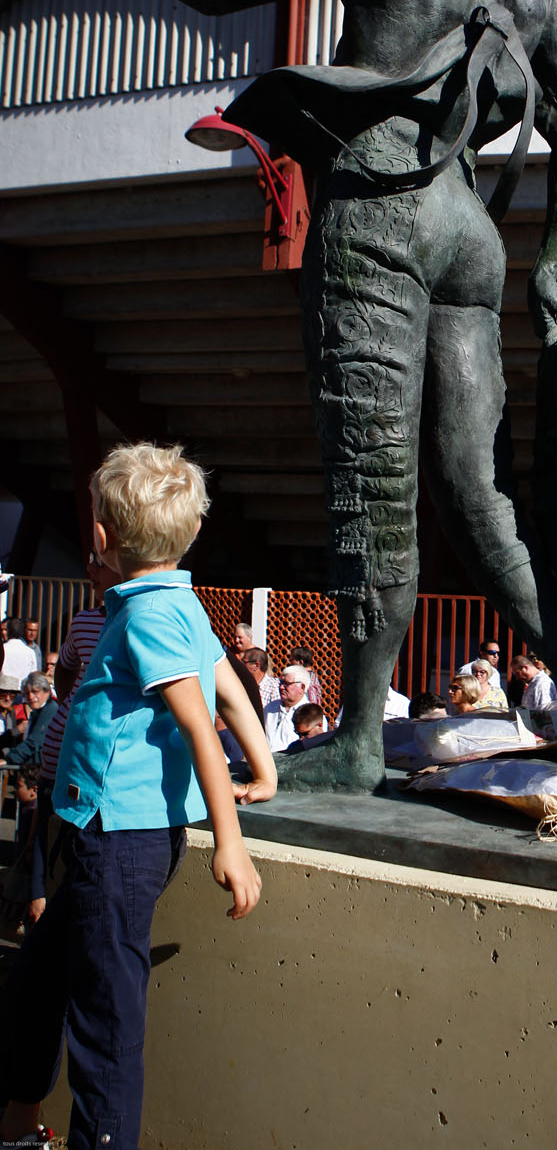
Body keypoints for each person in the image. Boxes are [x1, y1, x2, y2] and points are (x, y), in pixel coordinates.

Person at [69, 0, 557, 791]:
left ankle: (363, 740)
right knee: (481, 493)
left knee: (373, 484)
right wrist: (551, 271)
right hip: (469, 228)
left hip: (377, 199)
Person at [0, 442, 276, 1150]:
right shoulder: (176, 601)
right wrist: (266, 771)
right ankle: (18, 1118)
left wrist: (233, 847)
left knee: (106, 1026)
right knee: (36, 982)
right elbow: (233, 694)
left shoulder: (146, 617)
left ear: (102, 535)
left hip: (118, 846)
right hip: (107, 837)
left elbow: (197, 723)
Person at [0, 672, 56, 769]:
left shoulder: (50, 710)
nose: (30, 697)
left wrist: (9, 758)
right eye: (27, 693)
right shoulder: (38, 711)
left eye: (35, 692)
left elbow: (35, 741)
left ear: (46, 691)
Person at [263, 664, 318, 753]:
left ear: (302, 687)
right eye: (281, 683)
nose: (281, 687)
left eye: (287, 684)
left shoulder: (312, 714)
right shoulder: (270, 708)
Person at [2, 618, 38, 684]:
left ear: (8, 632)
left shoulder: (3, 649)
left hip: (3, 690)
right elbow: (33, 676)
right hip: (22, 691)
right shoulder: (30, 652)